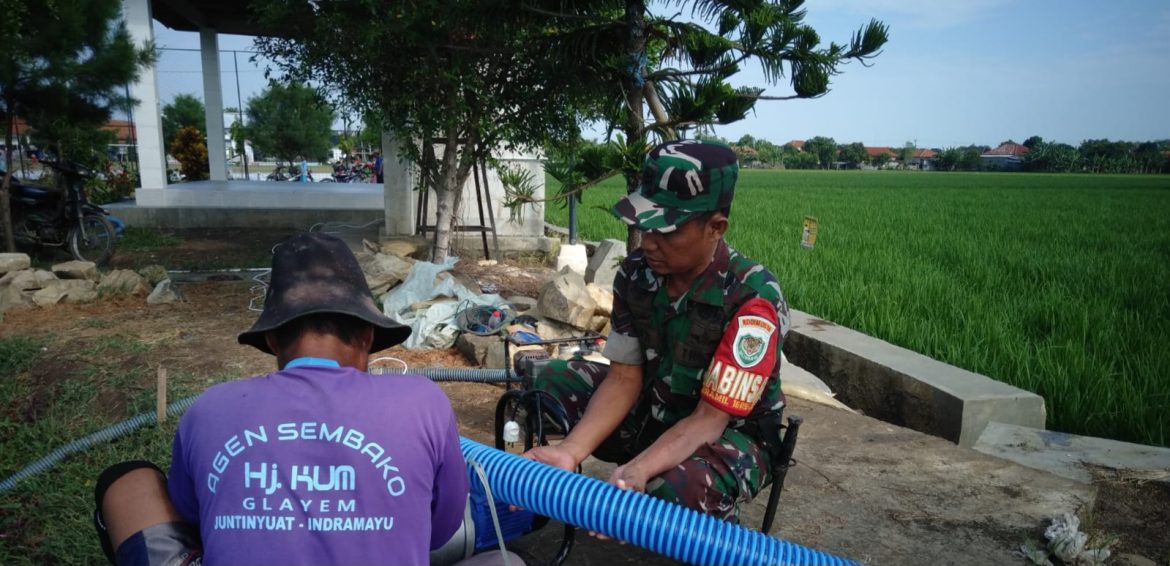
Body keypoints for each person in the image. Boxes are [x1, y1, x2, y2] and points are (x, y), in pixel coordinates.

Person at [93, 232, 473, 565]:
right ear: (369, 337)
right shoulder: (422, 400)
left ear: (273, 339)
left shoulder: (209, 409)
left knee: (124, 479)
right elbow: (438, 533)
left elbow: (193, 518)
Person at [524, 139, 791, 523]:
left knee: (670, 491)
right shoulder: (637, 273)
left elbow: (709, 419)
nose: (648, 242)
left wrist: (638, 472)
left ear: (715, 227)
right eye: (644, 225)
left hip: (731, 434)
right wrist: (570, 451)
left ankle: (706, 523)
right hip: (657, 409)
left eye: (666, 230)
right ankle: (562, 495)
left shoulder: (753, 301)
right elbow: (622, 378)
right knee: (549, 382)